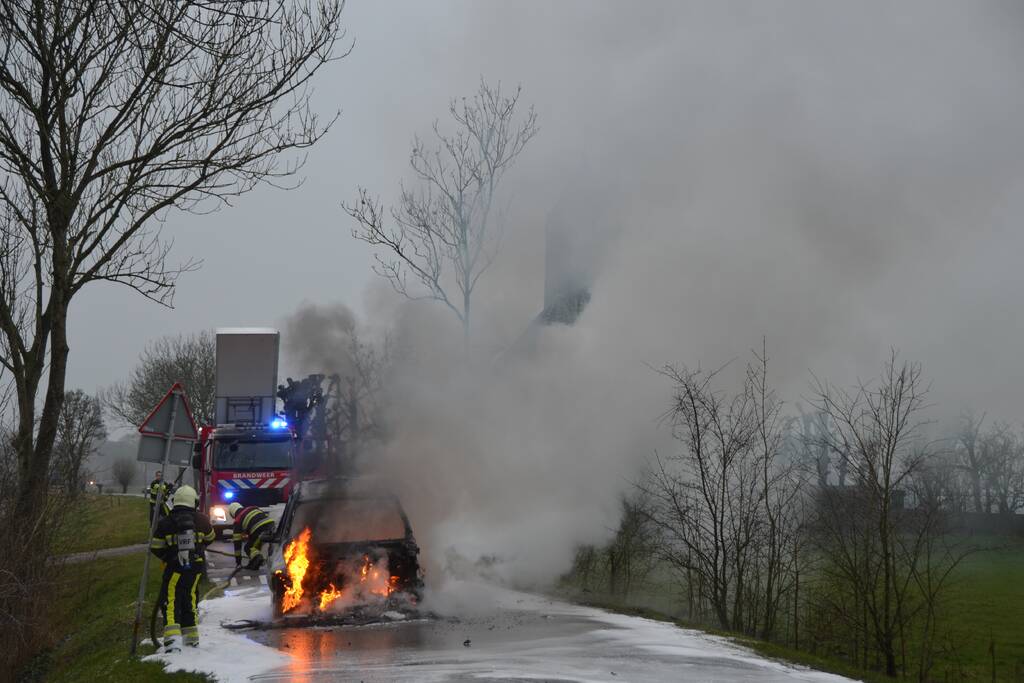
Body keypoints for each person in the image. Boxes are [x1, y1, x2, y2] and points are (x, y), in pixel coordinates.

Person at [149, 485, 215, 651]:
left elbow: (155, 547)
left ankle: (172, 641)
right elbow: (211, 538)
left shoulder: (165, 523)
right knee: (190, 600)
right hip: (196, 569)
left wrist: (169, 557)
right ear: (194, 501)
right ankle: (191, 639)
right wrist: (198, 549)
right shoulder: (202, 520)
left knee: (171, 600)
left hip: (174, 569)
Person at [228, 502, 275, 570]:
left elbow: (237, 544)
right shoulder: (252, 508)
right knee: (254, 546)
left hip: (259, 529)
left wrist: (238, 562)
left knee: (248, 548)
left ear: (232, 514)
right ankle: (254, 563)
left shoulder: (238, 520)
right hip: (271, 524)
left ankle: (258, 558)